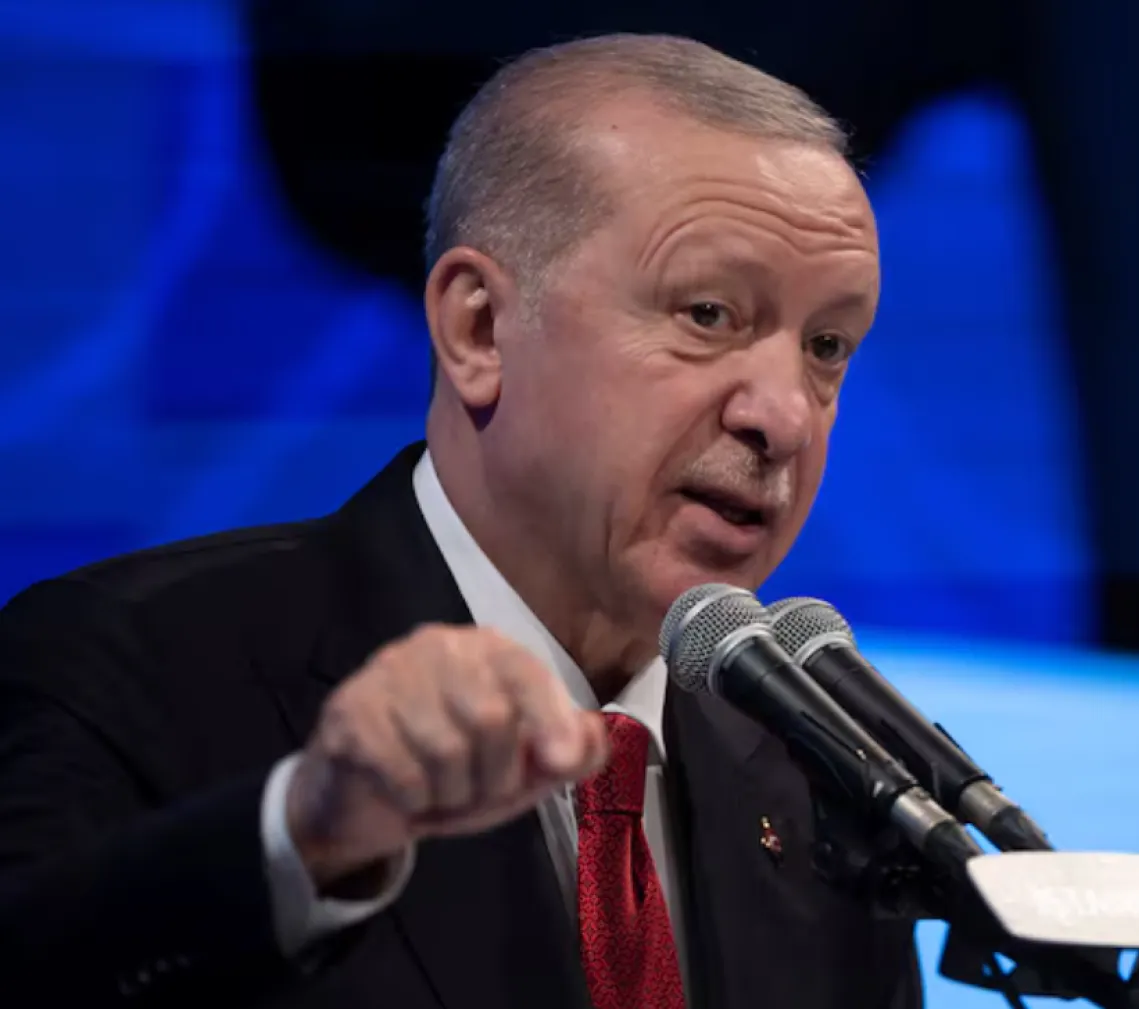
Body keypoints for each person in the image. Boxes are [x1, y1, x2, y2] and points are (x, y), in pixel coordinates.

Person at [0, 32, 920, 1009]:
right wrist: (307, 835)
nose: (785, 416)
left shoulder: (821, 787)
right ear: (478, 328)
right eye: (707, 314)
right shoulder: (131, 662)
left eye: (828, 346)